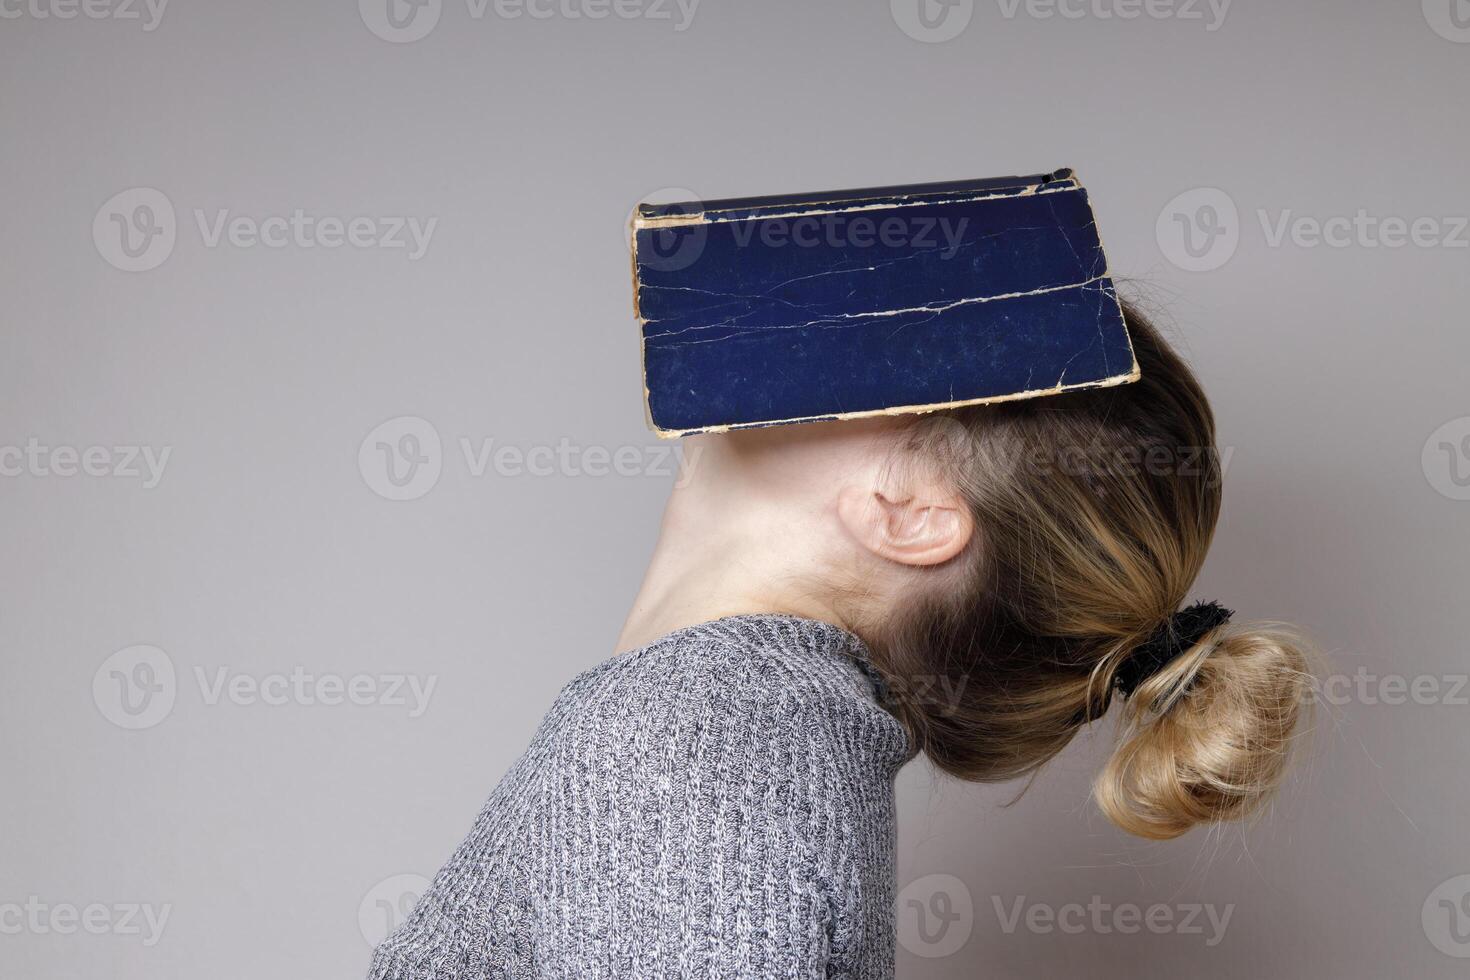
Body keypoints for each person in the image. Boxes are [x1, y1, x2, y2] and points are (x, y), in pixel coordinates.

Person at [366, 303, 1312, 979]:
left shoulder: (697, 741)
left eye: (897, 348)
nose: (824, 328)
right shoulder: (743, 730)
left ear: (909, 511)